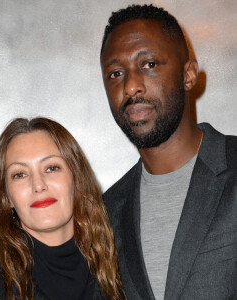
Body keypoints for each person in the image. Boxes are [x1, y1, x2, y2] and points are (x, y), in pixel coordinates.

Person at [100, 4, 237, 300]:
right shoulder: (106, 213)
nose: (131, 86)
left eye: (149, 64)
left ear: (188, 75)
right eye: (116, 73)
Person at [0, 117, 125, 300]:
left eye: (51, 168)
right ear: (6, 196)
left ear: (77, 180)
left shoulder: (125, 265)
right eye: (20, 174)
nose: (38, 185)